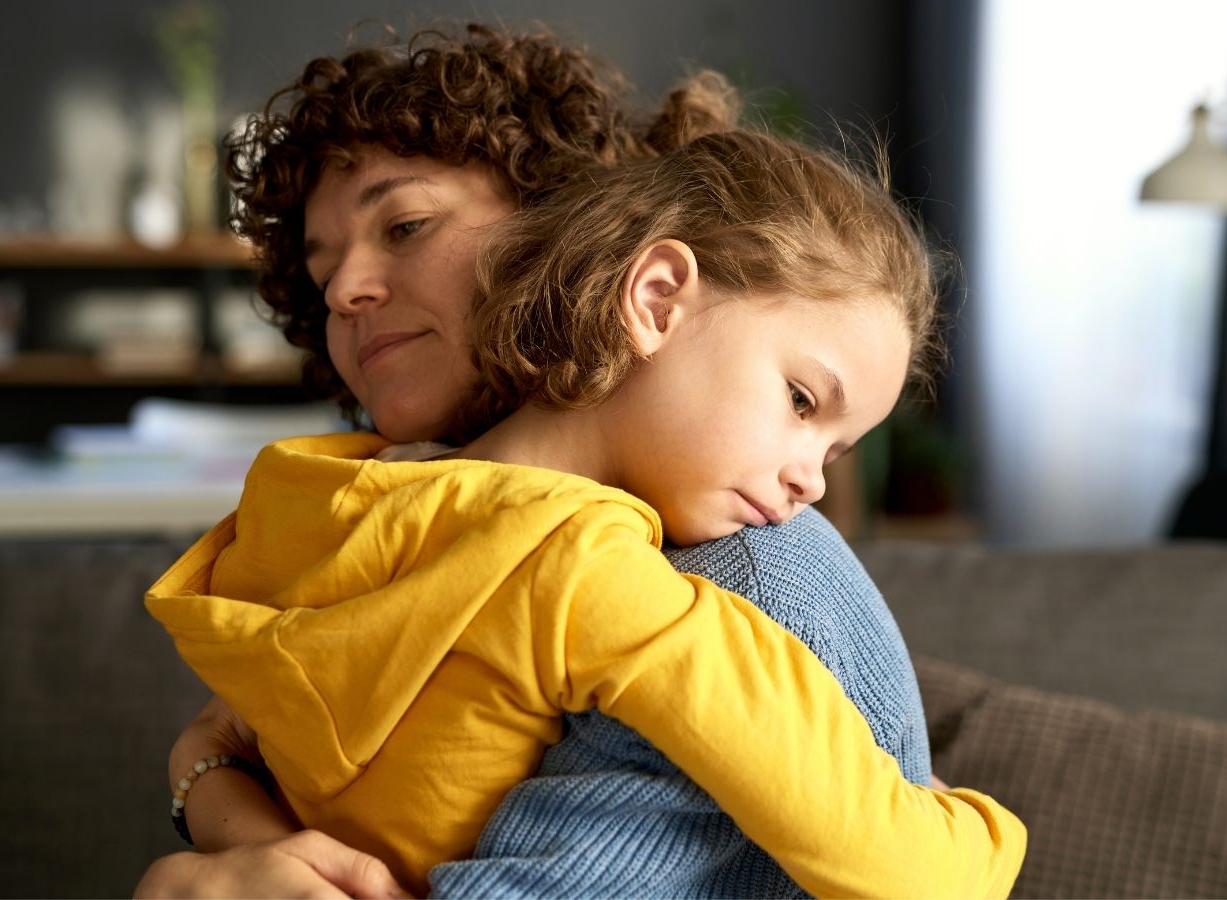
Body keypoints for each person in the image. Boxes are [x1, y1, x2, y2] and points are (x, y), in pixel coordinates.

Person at [140, 24, 945, 898]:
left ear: (564, 229)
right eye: (319, 266)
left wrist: (196, 873)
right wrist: (229, 833)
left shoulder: (742, 561)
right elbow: (235, 743)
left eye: (404, 225)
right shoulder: (375, 498)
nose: (343, 290)